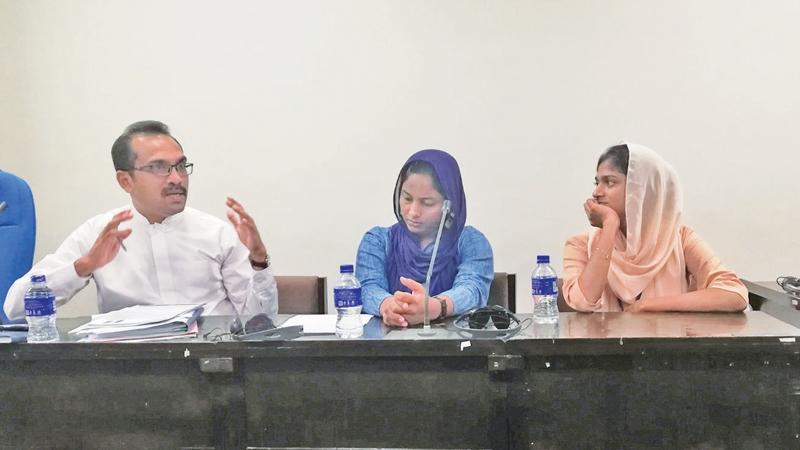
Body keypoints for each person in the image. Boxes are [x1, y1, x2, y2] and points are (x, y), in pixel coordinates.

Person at [4, 120, 277, 320]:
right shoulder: (99, 233)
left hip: (210, 365)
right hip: (133, 372)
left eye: (181, 166)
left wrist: (258, 260)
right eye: (159, 167)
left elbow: (260, 322)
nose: (176, 178)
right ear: (125, 180)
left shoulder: (217, 233)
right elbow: (14, 306)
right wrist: (84, 266)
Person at [562, 143, 748, 312]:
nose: (597, 192)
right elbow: (582, 302)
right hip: (604, 349)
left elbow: (735, 294)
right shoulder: (580, 244)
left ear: (641, 188)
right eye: (597, 182)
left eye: (610, 182)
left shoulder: (678, 238)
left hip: (666, 348)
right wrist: (610, 226)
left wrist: (646, 306)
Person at [356, 149, 493, 327]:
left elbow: (473, 289)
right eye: (407, 198)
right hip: (387, 350)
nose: (413, 212)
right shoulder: (377, 241)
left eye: (427, 203)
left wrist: (434, 307)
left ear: (449, 205)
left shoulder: (471, 241)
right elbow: (367, 288)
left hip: (456, 349)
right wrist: (390, 306)